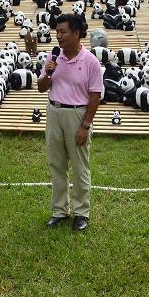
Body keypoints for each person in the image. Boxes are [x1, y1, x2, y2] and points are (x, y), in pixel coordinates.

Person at [37, 13, 102, 232]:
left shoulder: (90, 61)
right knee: (56, 164)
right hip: (54, 112)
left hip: (77, 115)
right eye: (57, 32)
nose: (58, 36)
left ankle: (81, 213)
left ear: (76, 33)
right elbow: (41, 88)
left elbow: (95, 95)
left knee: (80, 167)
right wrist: (47, 73)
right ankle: (59, 211)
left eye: (63, 32)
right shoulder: (52, 57)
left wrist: (85, 125)